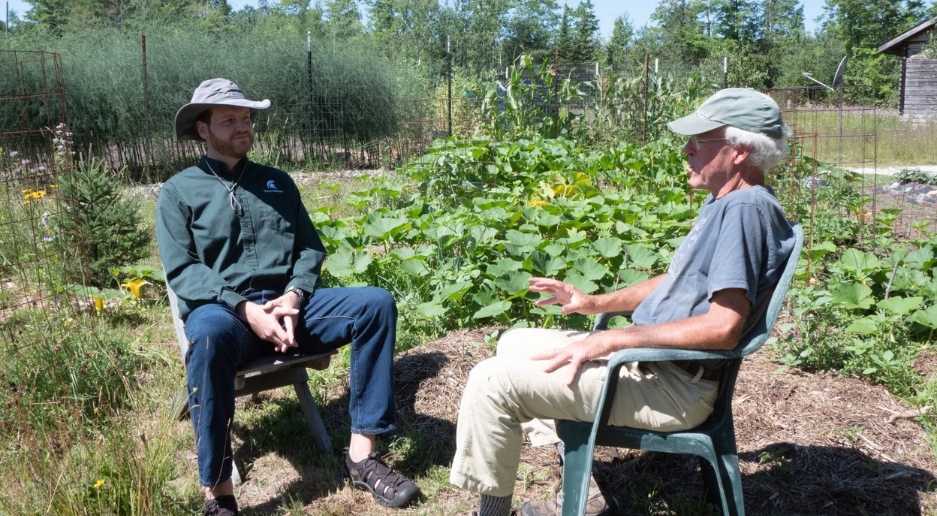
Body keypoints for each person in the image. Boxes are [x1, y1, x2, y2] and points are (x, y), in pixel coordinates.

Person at [449, 88, 796, 516]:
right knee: (514, 342)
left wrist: (611, 341)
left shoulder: (744, 209)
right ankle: (580, 481)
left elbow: (723, 328)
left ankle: (493, 512)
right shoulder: (727, 201)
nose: (686, 150)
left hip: (672, 387)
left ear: (739, 151)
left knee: (491, 381)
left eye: (699, 141)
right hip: (658, 367)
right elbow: (677, 281)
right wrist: (593, 302)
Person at [156, 78, 420, 516]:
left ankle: (362, 456)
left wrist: (295, 297)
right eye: (230, 120)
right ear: (203, 130)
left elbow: (309, 248)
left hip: (291, 310)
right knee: (205, 337)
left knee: (376, 304)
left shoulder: (277, 182)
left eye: (247, 119)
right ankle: (219, 495)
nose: (243, 127)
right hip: (227, 315)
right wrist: (245, 309)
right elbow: (183, 270)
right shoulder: (179, 191)